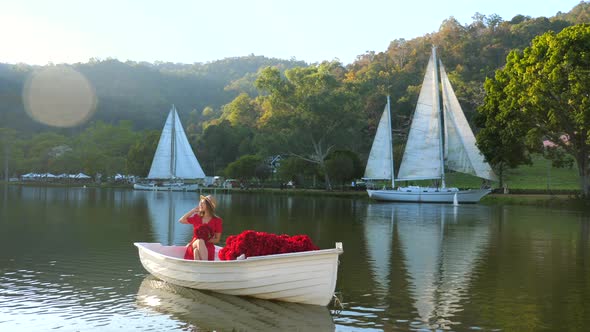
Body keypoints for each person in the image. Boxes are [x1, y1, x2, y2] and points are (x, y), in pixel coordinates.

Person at [179, 195, 222, 261]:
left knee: (196, 251)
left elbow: (217, 239)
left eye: (203, 203)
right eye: (200, 202)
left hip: (208, 246)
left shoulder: (217, 220)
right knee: (200, 241)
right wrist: (192, 211)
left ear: (209, 206)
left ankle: (199, 266)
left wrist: (206, 239)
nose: (200, 204)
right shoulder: (197, 217)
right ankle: (205, 264)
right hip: (195, 243)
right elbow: (181, 220)